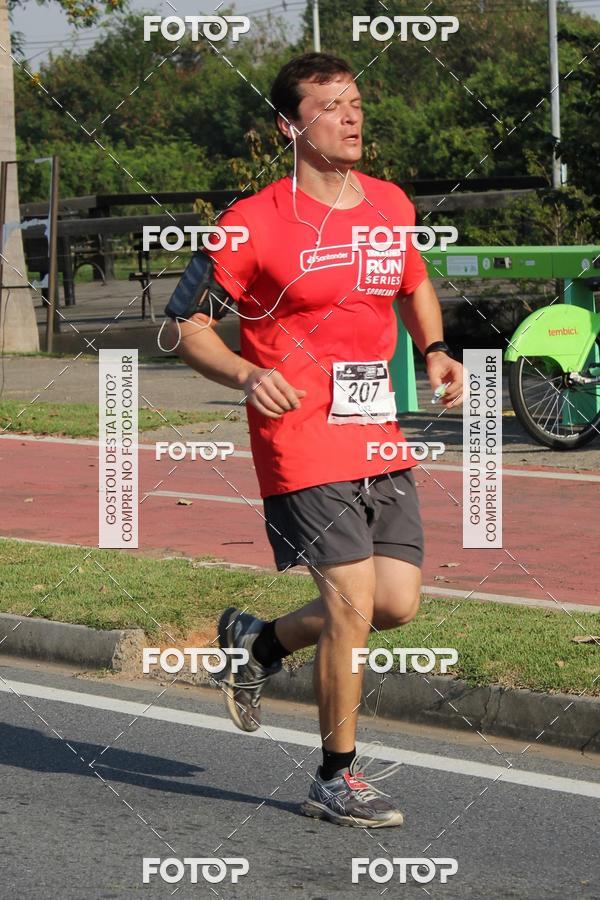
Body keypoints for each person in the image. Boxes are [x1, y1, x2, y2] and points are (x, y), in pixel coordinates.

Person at [169, 51, 464, 828]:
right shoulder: (251, 222)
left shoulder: (390, 204)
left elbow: (413, 282)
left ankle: (257, 643)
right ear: (288, 125)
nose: (352, 116)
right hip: (298, 434)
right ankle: (335, 777)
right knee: (352, 602)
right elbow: (186, 323)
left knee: (394, 604)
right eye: (330, 105)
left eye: (356, 101)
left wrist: (433, 348)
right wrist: (242, 375)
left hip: (377, 430)